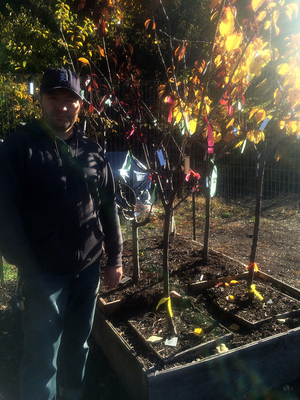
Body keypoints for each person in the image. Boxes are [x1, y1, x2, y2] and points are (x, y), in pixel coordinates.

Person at [0, 67, 123, 400]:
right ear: (40, 100)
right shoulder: (18, 147)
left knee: (78, 344)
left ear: (80, 105)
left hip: (87, 273)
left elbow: (109, 208)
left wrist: (115, 257)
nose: (61, 106)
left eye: (69, 99)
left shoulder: (93, 152)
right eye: (53, 97)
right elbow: (4, 213)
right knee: (41, 358)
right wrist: (29, 266)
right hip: (44, 277)